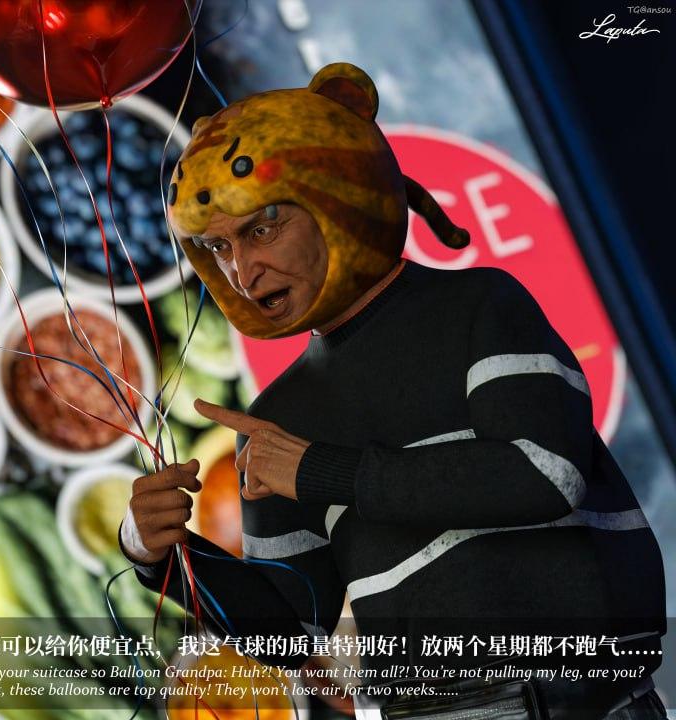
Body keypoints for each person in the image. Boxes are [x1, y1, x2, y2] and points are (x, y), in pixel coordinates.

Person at [121, 63, 666, 720]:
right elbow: (290, 632)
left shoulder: (478, 304)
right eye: (217, 247)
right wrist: (162, 556)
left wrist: (323, 472)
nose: (241, 271)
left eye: (262, 227)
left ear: (334, 190)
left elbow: (545, 473)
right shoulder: (278, 418)